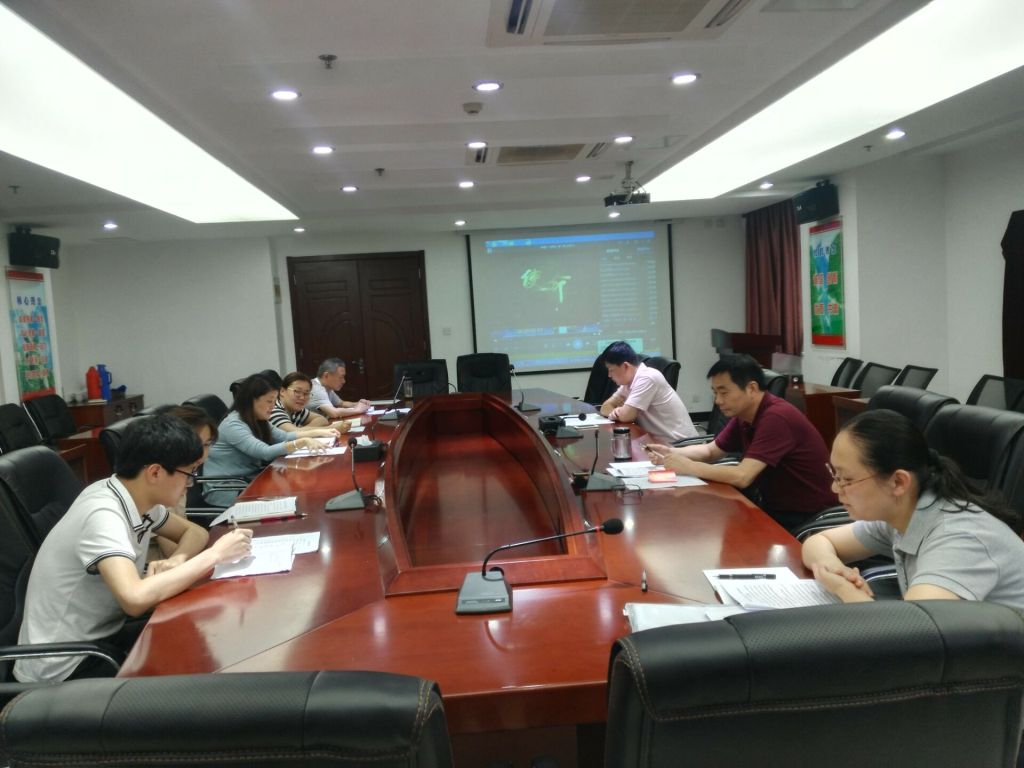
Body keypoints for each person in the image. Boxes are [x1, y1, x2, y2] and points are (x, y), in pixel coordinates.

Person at [14, 414, 254, 683]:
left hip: (102, 637)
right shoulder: (103, 513)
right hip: (64, 667)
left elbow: (194, 532)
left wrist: (176, 560)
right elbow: (134, 599)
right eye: (188, 474)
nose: (190, 483)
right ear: (155, 472)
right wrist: (215, 555)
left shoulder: (138, 499)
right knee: (194, 673)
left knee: (204, 628)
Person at [803, 409, 1024, 608]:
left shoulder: (958, 539)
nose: (835, 487)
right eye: (835, 475)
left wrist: (845, 589)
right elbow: (818, 542)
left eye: (846, 479)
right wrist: (834, 568)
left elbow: (909, 633)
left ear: (898, 482)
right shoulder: (902, 512)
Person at [646, 354, 837, 530]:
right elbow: (711, 451)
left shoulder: (776, 417)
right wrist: (670, 452)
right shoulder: (745, 415)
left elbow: (743, 476)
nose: (718, 401)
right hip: (774, 506)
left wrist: (689, 467)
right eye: (715, 393)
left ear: (751, 388)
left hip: (808, 518)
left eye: (724, 393)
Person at [203, 374, 337, 506]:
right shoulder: (233, 425)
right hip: (227, 489)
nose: (273, 406)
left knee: (298, 489)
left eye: (274, 401)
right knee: (293, 495)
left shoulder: (257, 418)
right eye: (269, 401)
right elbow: (264, 452)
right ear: (252, 400)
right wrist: (302, 442)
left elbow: (284, 436)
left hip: (249, 479)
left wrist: (318, 432)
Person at [151, 403, 219, 557]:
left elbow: (194, 534)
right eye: (197, 445)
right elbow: (172, 552)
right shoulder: (159, 480)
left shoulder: (182, 473)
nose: (203, 454)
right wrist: (216, 554)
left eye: (207, 445)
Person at [598, 341, 697, 442]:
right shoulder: (628, 383)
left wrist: (619, 413)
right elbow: (605, 407)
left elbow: (626, 416)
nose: (609, 375)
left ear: (625, 366)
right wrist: (617, 413)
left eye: (611, 370)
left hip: (680, 444)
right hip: (657, 442)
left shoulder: (647, 378)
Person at [271, 371, 352, 436]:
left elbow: (322, 420)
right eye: (297, 391)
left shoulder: (296, 409)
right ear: (282, 391)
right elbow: (293, 433)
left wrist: (302, 430)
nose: (302, 397)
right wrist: (331, 429)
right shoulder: (274, 410)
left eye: (306, 393)